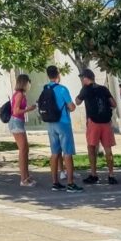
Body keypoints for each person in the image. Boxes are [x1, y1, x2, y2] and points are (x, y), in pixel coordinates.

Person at [38, 65, 83, 193]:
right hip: (63, 122)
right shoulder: (62, 89)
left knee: (54, 153)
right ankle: (70, 183)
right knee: (67, 153)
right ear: (58, 74)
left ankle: (55, 182)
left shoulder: (45, 88)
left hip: (50, 123)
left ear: (48, 75)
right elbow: (72, 106)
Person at [75, 69, 118, 184]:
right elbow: (114, 104)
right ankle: (111, 175)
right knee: (108, 149)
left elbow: (77, 102)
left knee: (91, 148)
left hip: (93, 122)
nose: (81, 80)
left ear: (86, 78)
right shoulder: (103, 89)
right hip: (106, 122)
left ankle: (94, 174)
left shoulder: (85, 89)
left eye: (82, 78)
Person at [9, 74, 37, 187]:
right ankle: (23, 178)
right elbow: (16, 111)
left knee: (25, 149)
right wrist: (28, 109)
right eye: (28, 83)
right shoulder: (19, 94)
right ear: (24, 83)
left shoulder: (20, 94)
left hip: (18, 122)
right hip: (16, 122)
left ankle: (26, 176)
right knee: (23, 150)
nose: (29, 85)